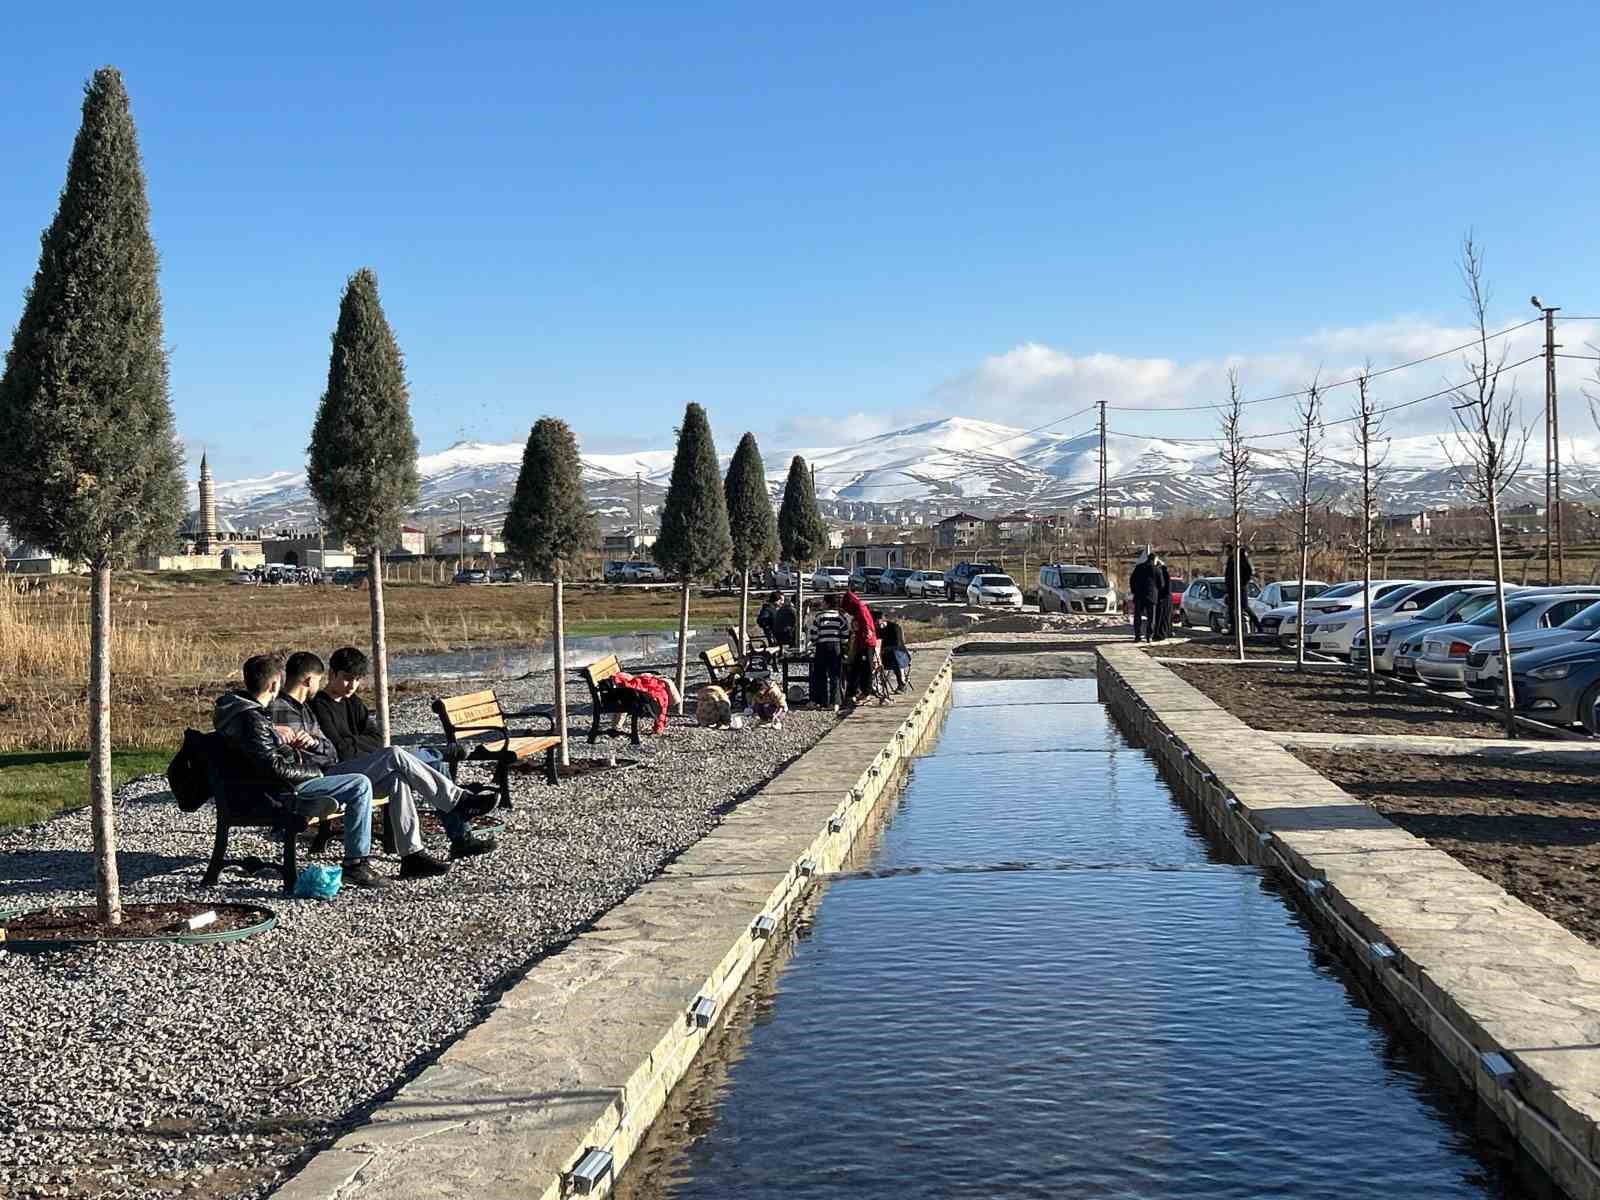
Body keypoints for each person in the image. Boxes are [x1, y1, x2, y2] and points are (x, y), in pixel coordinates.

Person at [272, 651, 496, 879]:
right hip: (333, 774)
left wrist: (341, 745)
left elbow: (369, 740)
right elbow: (336, 750)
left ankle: (412, 856)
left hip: (352, 767)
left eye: (357, 679)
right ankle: (458, 800)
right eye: (347, 678)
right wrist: (354, 748)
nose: (352, 685)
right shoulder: (311, 706)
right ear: (323, 676)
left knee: (398, 778)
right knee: (395, 754)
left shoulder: (341, 704)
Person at [213, 653, 384, 890]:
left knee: (364, 780)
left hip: (276, 786)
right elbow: (275, 766)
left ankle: (358, 861)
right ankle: (355, 864)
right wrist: (315, 771)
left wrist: (309, 745)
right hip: (280, 793)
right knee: (360, 784)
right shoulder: (259, 717)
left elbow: (330, 753)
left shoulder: (249, 713)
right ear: (274, 685)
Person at [809, 594, 851, 710]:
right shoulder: (840, 617)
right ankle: (835, 702)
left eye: (823, 602)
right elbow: (845, 635)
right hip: (836, 647)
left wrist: (815, 641)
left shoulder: (819, 616)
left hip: (822, 647)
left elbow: (813, 634)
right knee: (835, 675)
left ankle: (822, 701)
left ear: (827, 603)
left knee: (820, 674)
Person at [839, 589, 879, 705]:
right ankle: (851, 693)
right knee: (855, 669)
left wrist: (865, 636)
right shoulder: (859, 609)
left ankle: (866, 693)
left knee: (865, 669)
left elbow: (866, 625)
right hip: (861, 643)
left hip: (866, 644)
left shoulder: (860, 609)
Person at [1223, 546, 1257, 635]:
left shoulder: (1241, 560)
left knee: (1245, 607)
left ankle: (1258, 625)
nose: (1226, 553)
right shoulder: (1231, 560)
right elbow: (1228, 575)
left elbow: (1248, 573)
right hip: (1231, 588)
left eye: (1227, 551)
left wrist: (1242, 583)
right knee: (1231, 609)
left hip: (1240, 588)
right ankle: (1233, 629)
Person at [1129, 548, 1159, 643]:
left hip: (1139, 595)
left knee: (1138, 617)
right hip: (1151, 596)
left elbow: (1132, 580)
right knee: (1151, 617)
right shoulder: (1156, 569)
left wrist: (1134, 591)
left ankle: (1137, 636)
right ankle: (1149, 636)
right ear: (1154, 559)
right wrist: (1156, 590)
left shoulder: (1139, 567)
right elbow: (1161, 583)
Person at [877, 610, 911, 693]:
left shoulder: (895, 627)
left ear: (883, 620)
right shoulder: (876, 629)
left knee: (895, 655)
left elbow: (897, 644)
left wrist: (883, 650)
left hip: (900, 655)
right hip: (884, 656)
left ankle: (901, 684)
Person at [1151, 555, 1174, 642]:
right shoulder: (1164, 572)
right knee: (1165, 617)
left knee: (1161, 617)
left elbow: (1162, 586)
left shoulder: (1161, 573)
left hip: (1163, 598)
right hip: (1166, 598)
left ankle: (1161, 633)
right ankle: (1165, 632)